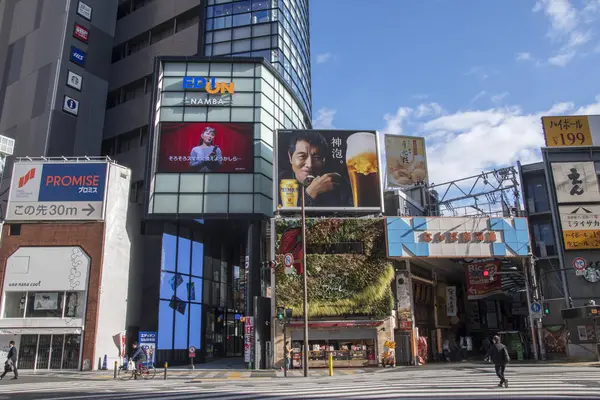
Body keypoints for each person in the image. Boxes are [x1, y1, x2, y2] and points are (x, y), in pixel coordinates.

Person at [279, 131, 352, 207]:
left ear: (324, 160)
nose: (310, 165)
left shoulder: (338, 185)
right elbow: (288, 216)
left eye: (316, 158)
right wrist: (311, 193)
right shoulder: (280, 181)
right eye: (302, 156)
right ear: (290, 157)